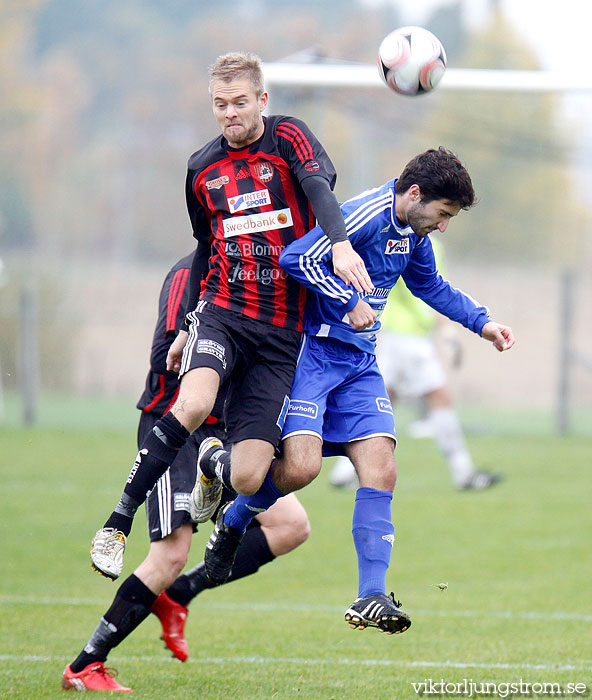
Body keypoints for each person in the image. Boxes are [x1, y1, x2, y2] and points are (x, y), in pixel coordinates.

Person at [195, 147, 515, 636]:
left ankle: (370, 594)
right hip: (311, 355)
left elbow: (432, 287)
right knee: (299, 469)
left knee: (382, 470)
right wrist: (348, 301)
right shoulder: (365, 214)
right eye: (443, 214)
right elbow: (296, 257)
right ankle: (235, 519)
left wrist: (484, 323)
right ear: (414, 194)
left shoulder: (412, 234)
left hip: (360, 364)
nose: (444, 225)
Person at [90, 51, 372, 579]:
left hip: (282, 332)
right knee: (192, 402)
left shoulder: (290, 138)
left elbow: (319, 192)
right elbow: (203, 250)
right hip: (223, 311)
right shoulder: (201, 167)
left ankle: (212, 465)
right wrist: (183, 328)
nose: (229, 113)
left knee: (248, 478)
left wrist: (339, 245)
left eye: (239, 102)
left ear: (262, 100)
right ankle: (116, 523)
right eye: (220, 105)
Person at [63, 252, 310, 692]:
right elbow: (164, 357)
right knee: (170, 555)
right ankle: (85, 664)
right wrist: (231, 350)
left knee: (291, 525)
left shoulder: (264, 277)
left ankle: (178, 596)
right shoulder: (191, 273)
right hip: (177, 428)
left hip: (229, 434)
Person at [329, 236, 502, 491]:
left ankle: (344, 472)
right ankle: (463, 473)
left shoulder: (394, 235)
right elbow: (432, 290)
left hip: (392, 333)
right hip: (409, 337)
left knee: (384, 401)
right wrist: (446, 332)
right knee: (439, 399)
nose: (443, 224)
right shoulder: (418, 241)